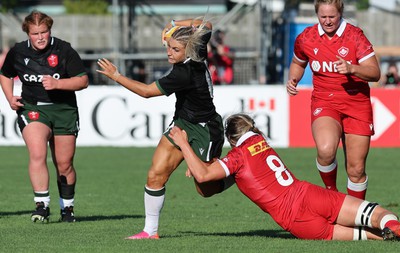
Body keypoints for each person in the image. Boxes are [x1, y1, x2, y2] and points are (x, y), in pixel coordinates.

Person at [97, 17, 230, 239]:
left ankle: (235, 172)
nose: (169, 52)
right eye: (168, 46)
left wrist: (116, 76)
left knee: (205, 189)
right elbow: (206, 24)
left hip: (206, 130)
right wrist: (174, 23)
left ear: (188, 50)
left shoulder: (183, 73)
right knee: (155, 174)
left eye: (175, 49)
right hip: (182, 123)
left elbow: (147, 92)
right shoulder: (197, 46)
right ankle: (150, 231)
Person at [169, 113, 400, 241]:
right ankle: (395, 226)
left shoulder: (237, 158)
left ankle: (385, 236)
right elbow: (220, 174)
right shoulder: (260, 142)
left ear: (232, 141)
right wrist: (200, 164)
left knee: (368, 237)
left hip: (297, 222)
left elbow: (204, 174)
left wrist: (183, 144)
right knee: (379, 214)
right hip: (310, 195)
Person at [286, 0, 381, 199]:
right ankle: (333, 196)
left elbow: (375, 72)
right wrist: (293, 78)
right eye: (323, 17)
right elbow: (298, 61)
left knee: (356, 170)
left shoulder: (355, 36)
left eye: (332, 17)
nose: (327, 21)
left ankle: (355, 213)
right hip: (324, 101)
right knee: (326, 150)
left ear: (340, 14)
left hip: (357, 104)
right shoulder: (306, 37)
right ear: (317, 15)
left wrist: (352, 68)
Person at [0, 10, 89, 223]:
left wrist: (59, 83)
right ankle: (42, 206)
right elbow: (5, 74)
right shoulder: (18, 52)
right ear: (27, 33)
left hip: (63, 110)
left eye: (44, 32)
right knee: (38, 153)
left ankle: (67, 209)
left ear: (50, 30)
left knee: (64, 163)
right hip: (33, 108)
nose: (40, 37)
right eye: (35, 33)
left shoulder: (64, 50)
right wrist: (10, 97)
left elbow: (83, 81)